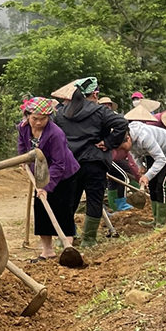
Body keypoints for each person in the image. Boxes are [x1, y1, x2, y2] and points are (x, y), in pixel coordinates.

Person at [53, 76, 128, 248]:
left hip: (71, 162)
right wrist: (108, 143)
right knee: (94, 199)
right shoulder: (99, 111)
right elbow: (121, 123)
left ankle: (64, 238)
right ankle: (89, 240)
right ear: (95, 94)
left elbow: (55, 133)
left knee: (70, 200)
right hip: (94, 161)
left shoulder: (62, 112)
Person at [18, 98, 80, 261]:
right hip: (40, 171)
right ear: (28, 115)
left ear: (49, 117)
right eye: (35, 118)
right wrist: (23, 160)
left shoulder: (55, 134)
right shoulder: (23, 127)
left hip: (65, 174)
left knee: (63, 210)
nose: (38, 123)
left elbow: (59, 164)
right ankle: (47, 251)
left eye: (43, 119)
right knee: (41, 210)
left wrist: (46, 187)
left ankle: (68, 249)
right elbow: (22, 146)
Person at [122, 106, 166, 228]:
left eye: (124, 147)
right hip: (152, 153)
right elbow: (134, 153)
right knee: (153, 184)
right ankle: (155, 220)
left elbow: (161, 159)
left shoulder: (144, 137)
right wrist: (140, 166)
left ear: (128, 138)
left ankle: (162, 222)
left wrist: (147, 175)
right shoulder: (128, 139)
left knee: (162, 184)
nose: (124, 150)